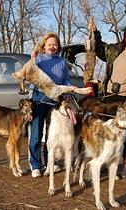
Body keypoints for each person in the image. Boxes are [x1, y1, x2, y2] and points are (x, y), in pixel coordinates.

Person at [66, 23, 126, 178]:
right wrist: (95, 32)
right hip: (109, 96)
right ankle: (103, 161)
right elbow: (100, 48)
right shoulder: (115, 50)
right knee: (105, 130)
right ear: (125, 36)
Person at [29, 32, 71, 178]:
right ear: (44, 46)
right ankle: (35, 165)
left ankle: (50, 162)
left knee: (51, 135)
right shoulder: (38, 59)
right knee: (36, 134)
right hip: (39, 100)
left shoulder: (62, 62)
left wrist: (68, 89)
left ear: (58, 46)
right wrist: (32, 60)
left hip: (55, 102)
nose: (52, 47)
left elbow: (66, 80)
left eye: (55, 44)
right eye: (49, 44)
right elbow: (30, 75)